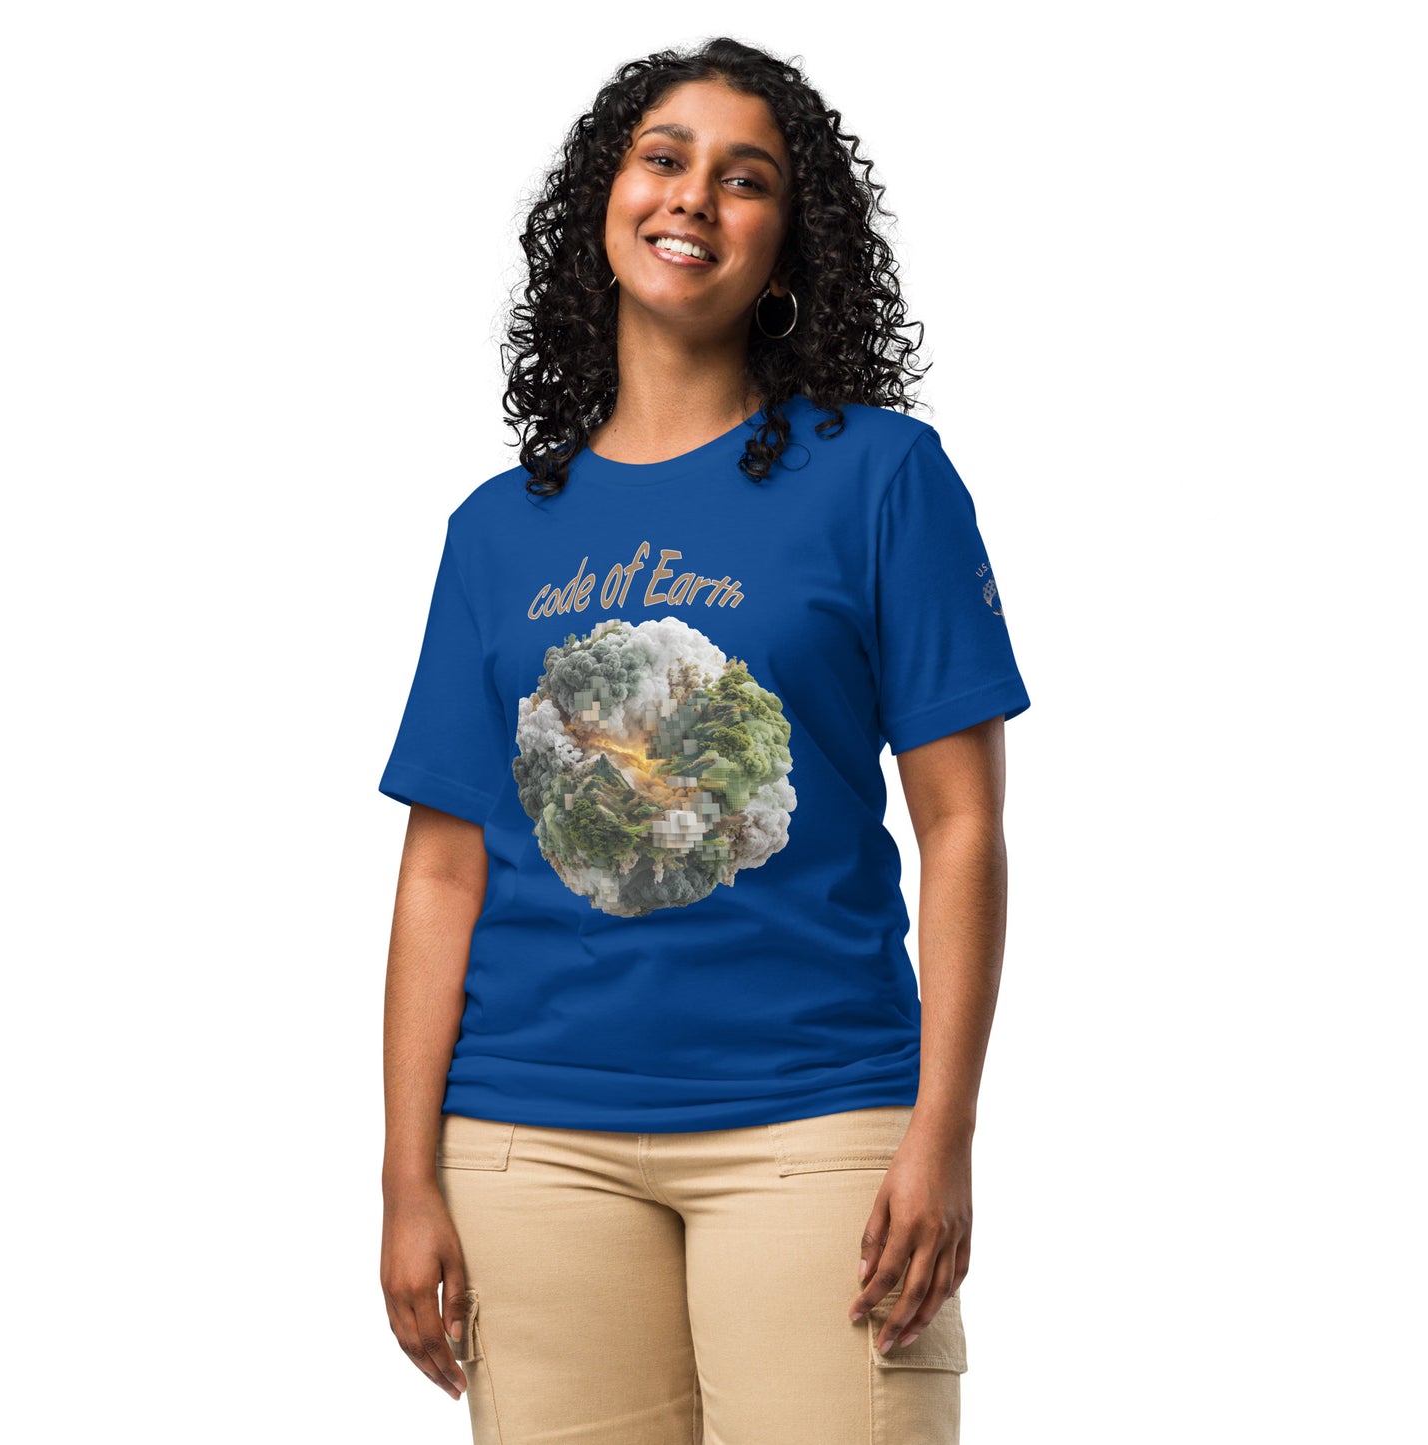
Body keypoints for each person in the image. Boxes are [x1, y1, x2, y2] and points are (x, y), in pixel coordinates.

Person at [377, 36, 1030, 1445]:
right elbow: (442, 867)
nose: (693, 199)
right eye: (662, 159)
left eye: (746, 180)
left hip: (816, 1129)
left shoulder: (880, 477)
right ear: (601, 207)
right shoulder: (498, 532)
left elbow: (961, 824)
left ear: (787, 242)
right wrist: (405, 1176)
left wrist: (942, 1131)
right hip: (529, 1141)